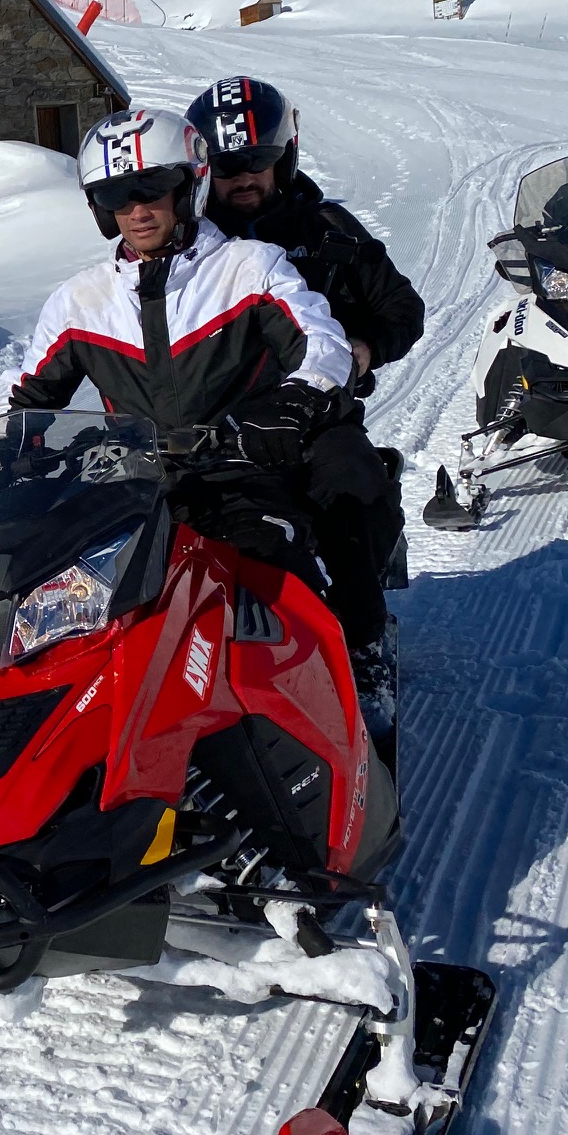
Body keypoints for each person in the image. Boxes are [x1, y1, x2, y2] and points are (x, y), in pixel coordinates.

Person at [0, 105, 352, 594]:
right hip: (133, 485)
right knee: (59, 589)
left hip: (244, 474)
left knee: (275, 585)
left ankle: (357, 653)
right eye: (117, 196)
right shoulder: (81, 301)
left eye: (152, 189)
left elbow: (321, 342)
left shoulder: (249, 269)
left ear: (189, 188)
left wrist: (294, 402)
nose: (137, 211)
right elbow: (24, 396)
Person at [186, 79, 424, 700]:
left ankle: (365, 642)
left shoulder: (327, 231)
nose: (244, 178)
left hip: (316, 415)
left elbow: (401, 307)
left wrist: (363, 349)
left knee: (348, 489)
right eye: (228, 165)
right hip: (216, 418)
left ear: (284, 157)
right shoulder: (187, 242)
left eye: (257, 163)